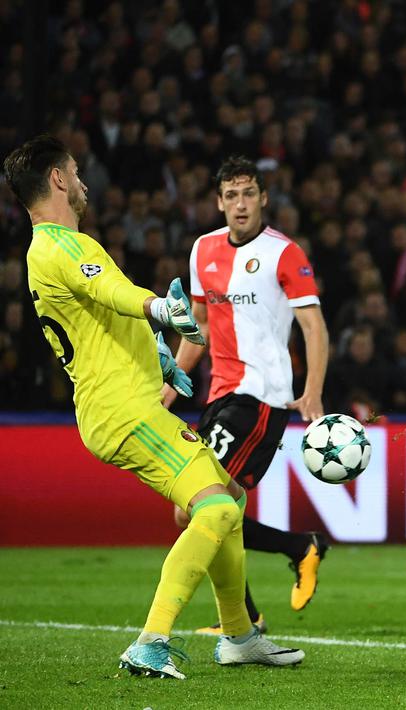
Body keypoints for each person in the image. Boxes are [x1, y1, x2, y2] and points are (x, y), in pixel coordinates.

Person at [6, 134, 302, 679]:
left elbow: (99, 317)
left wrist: (160, 358)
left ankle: (239, 636)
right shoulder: (66, 246)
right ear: (58, 179)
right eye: (76, 171)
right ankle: (151, 641)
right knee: (215, 508)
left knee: (229, 498)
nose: (83, 181)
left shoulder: (44, 251)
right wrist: (160, 309)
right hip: (125, 412)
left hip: (122, 405)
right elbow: (115, 295)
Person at [163, 155, 331, 634]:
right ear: (219, 202)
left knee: (195, 507)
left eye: (249, 194)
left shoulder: (284, 253)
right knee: (212, 509)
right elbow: (197, 326)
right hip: (220, 394)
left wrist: (312, 392)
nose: (240, 204)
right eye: (231, 195)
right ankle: (276, 579)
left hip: (261, 396)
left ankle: (250, 608)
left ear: (263, 199)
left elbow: (314, 327)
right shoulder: (203, 250)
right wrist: (171, 385)